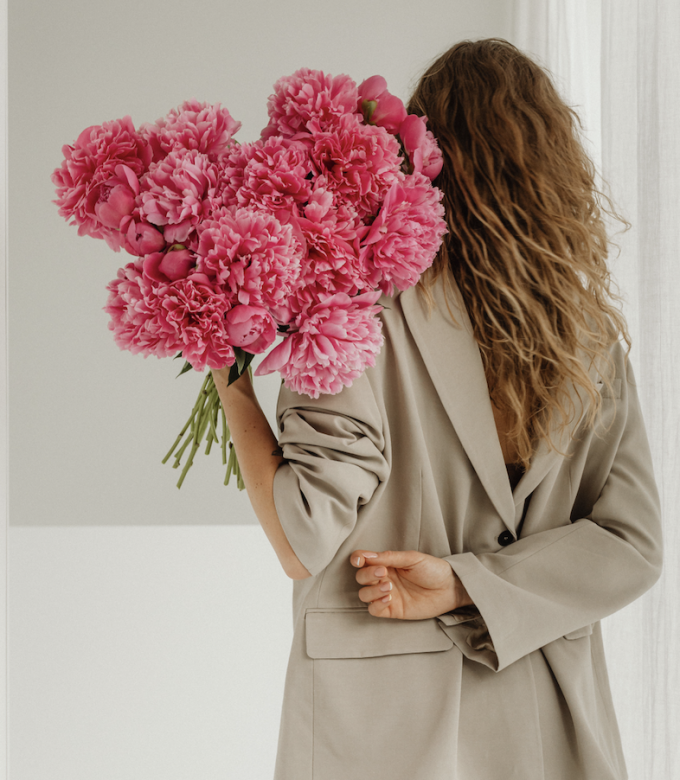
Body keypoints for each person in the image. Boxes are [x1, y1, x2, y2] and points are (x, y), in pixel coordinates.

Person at [211, 38, 663, 780]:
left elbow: (301, 540)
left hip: (382, 719)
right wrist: (473, 587)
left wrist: (224, 371)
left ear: (426, 157)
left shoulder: (355, 315)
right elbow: (630, 544)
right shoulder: (589, 339)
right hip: (546, 710)